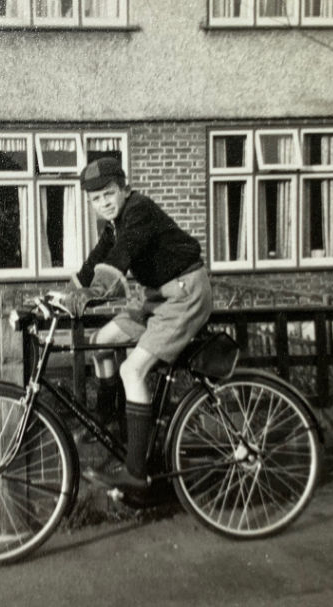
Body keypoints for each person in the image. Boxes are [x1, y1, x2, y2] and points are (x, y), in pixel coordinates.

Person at [63, 157, 212, 491]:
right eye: (96, 199)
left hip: (184, 293)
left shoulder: (139, 209)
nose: (104, 203)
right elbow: (96, 260)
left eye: (109, 194)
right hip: (155, 295)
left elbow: (122, 254)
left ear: (123, 188)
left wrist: (96, 292)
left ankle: (136, 472)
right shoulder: (113, 224)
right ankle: (108, 420)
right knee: (101, 340)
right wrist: (67, 294)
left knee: (132, 370)